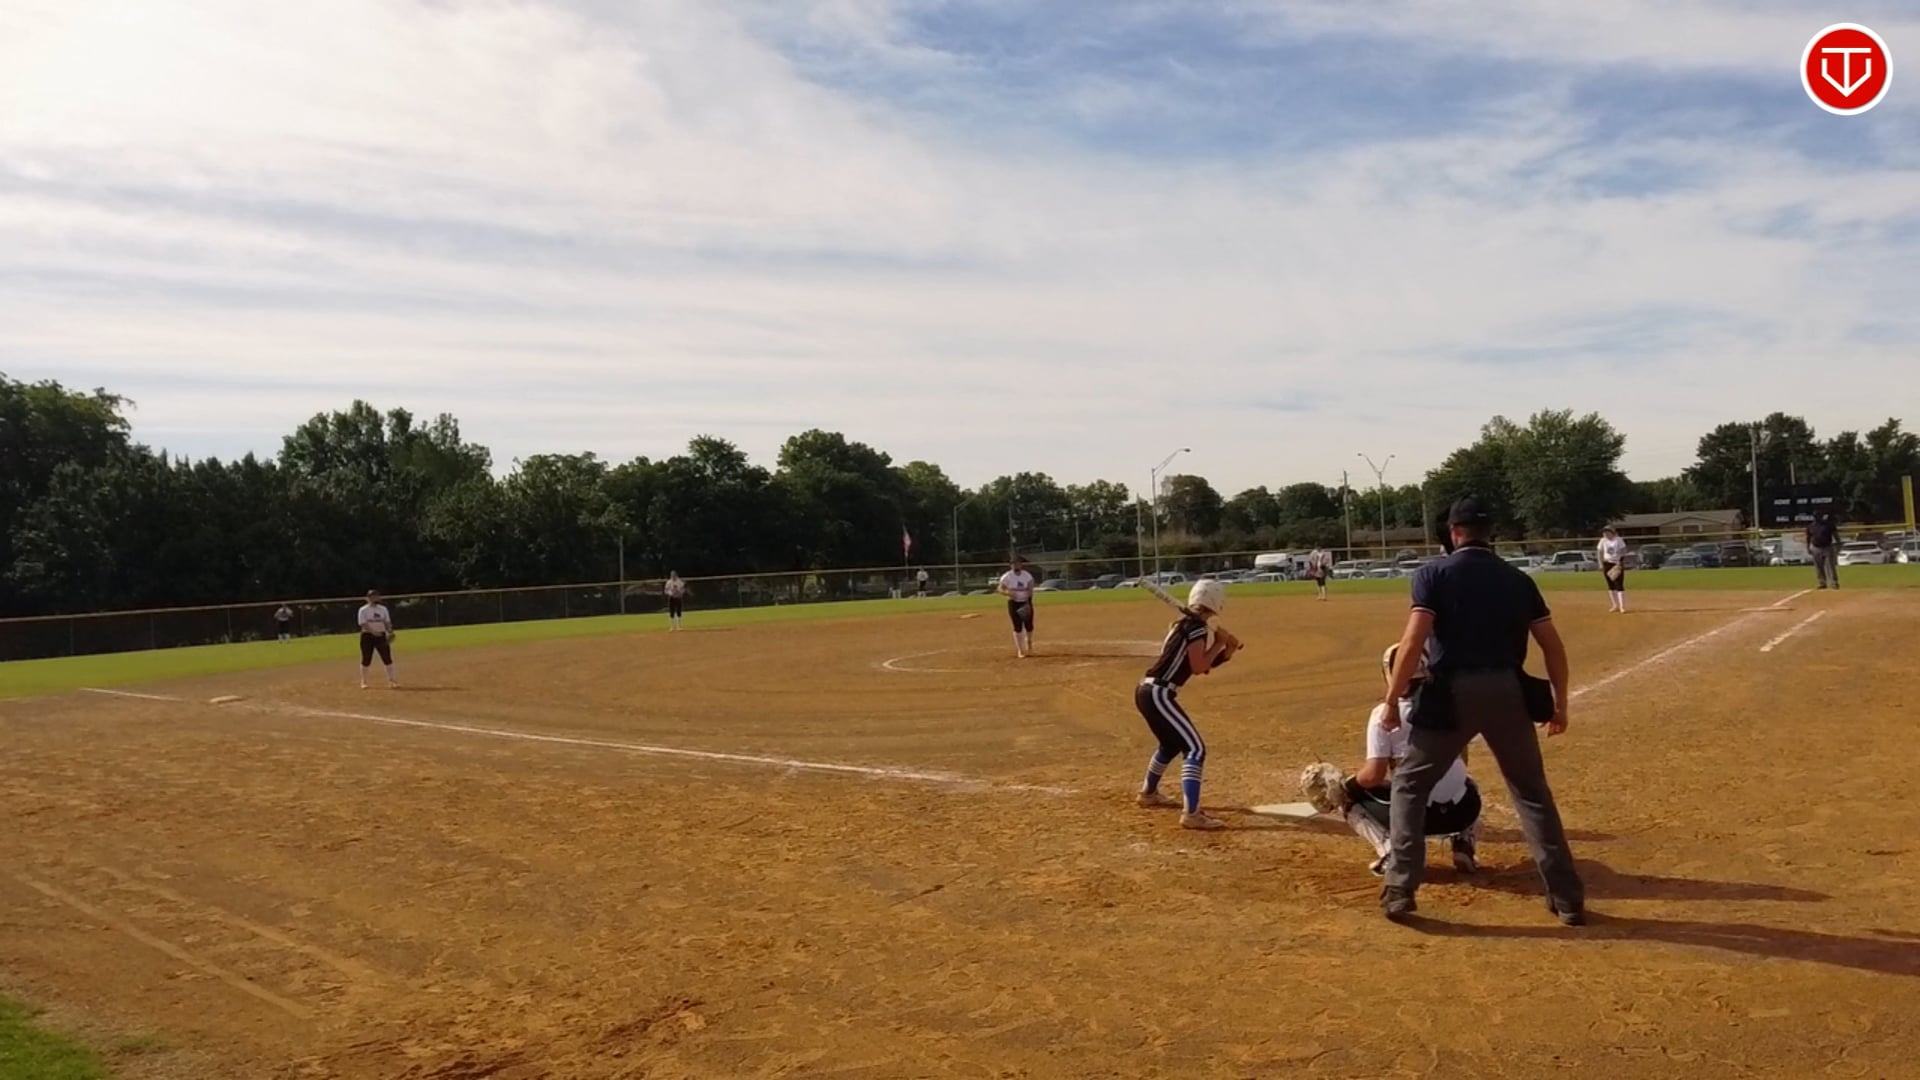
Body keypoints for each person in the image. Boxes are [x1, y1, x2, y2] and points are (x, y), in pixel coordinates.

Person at [1377, 497, 1585, 926]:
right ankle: (1567, 898)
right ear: (1489, 535)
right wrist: (1560, 704)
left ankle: (1400, 889)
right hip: (1507, 691)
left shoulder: (1433, 573)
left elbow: (1413, 642)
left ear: (1455, 533)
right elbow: (1552, 645)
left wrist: (1392, 700)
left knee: (1410, 785)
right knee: (1531, 792)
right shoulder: (1517, 579)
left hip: (1451, 693)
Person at [1301, 644, 1481, 875]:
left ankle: (1392, 853)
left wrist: (1347, 785)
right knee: (1467, 783)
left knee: (1348, 797)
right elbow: (1461, 757)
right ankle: (1463, 844)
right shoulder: (1454, 706)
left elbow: (1373, 775)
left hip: (1414, 817)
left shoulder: (1384, 715)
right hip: (1462, 812)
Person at [1134, 578, 1242, 831]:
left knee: (1171, 744)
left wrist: (1226, 652)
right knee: (1195, 749)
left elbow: (1198, 665)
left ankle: (1148, 793)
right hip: (1159, 693)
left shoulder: (1184, 626)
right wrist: (1219, 643)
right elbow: (1199, 666)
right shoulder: (1195, 628)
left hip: (1148, 691)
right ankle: (1191, 814)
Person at [997, 555, 1038, 658]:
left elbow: (1030, 588)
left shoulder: (1026, 575)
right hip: (1013, 603)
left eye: (1018, 563)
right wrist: (1007, 593)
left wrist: (1028, 600)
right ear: (1010, 565)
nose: (1016, 565)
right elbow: (1000, 589)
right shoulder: (1007, 576)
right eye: (1013, 563)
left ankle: (1029, 642)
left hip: (1025, 602)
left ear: (1021, 564)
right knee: (1017, 626)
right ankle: (1020, 650)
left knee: (1029, 625)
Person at [356, 590, 398, 689]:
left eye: (375, 596)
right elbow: (363, 624)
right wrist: (373, 632)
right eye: (371, 596)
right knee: (366, 659)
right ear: (367, 598)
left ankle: (392, 680)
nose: (374, 598)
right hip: (367, 636)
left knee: (387, 658)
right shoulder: (363, 610)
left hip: (381, 636)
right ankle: (364, 681)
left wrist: (390, 631)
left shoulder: (383, 609)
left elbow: (387, 622)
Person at [1597, 527, 1628, 613]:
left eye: (1607, 532)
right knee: (1610, 585)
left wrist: (1620, 562)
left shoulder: (1618, 540)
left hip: (1616, 563)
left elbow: (1624, 551)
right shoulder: (1603, 540)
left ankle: (1622, 607)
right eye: (1604, 533)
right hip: (1607, 564)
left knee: (1619, 585)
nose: (1605, 534)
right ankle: (1615, 605)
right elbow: (1599, 552)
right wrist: (1600, 564)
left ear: (1612, 532)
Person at [1807, 511, 1840, 590]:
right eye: (1815, 516)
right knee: (1818, 567)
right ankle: (1822, 583)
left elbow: (1835, 534)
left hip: (1827, 547)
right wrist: (1808, 547)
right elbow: (1808, 537)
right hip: (1816, 547)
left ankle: (1834, 582)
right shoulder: (1811, 526)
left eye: (1818, 515)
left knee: (1830, 566)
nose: (1817, 517)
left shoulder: (1828, 525)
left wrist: (1838, 542)